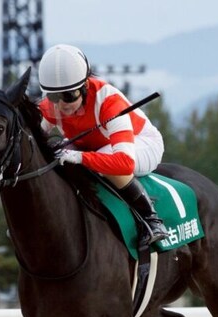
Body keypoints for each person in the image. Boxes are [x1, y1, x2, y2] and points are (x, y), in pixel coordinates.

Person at [37, 44, 170, 245]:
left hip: (142, 144)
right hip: (95, 147)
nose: (61, 105)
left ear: (85, 87)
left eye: (69, 96)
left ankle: (151, 219)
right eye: (54, 96)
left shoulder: (108, 102)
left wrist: (80, 157)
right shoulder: (52, 105)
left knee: (96, 155)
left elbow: (123, 163)